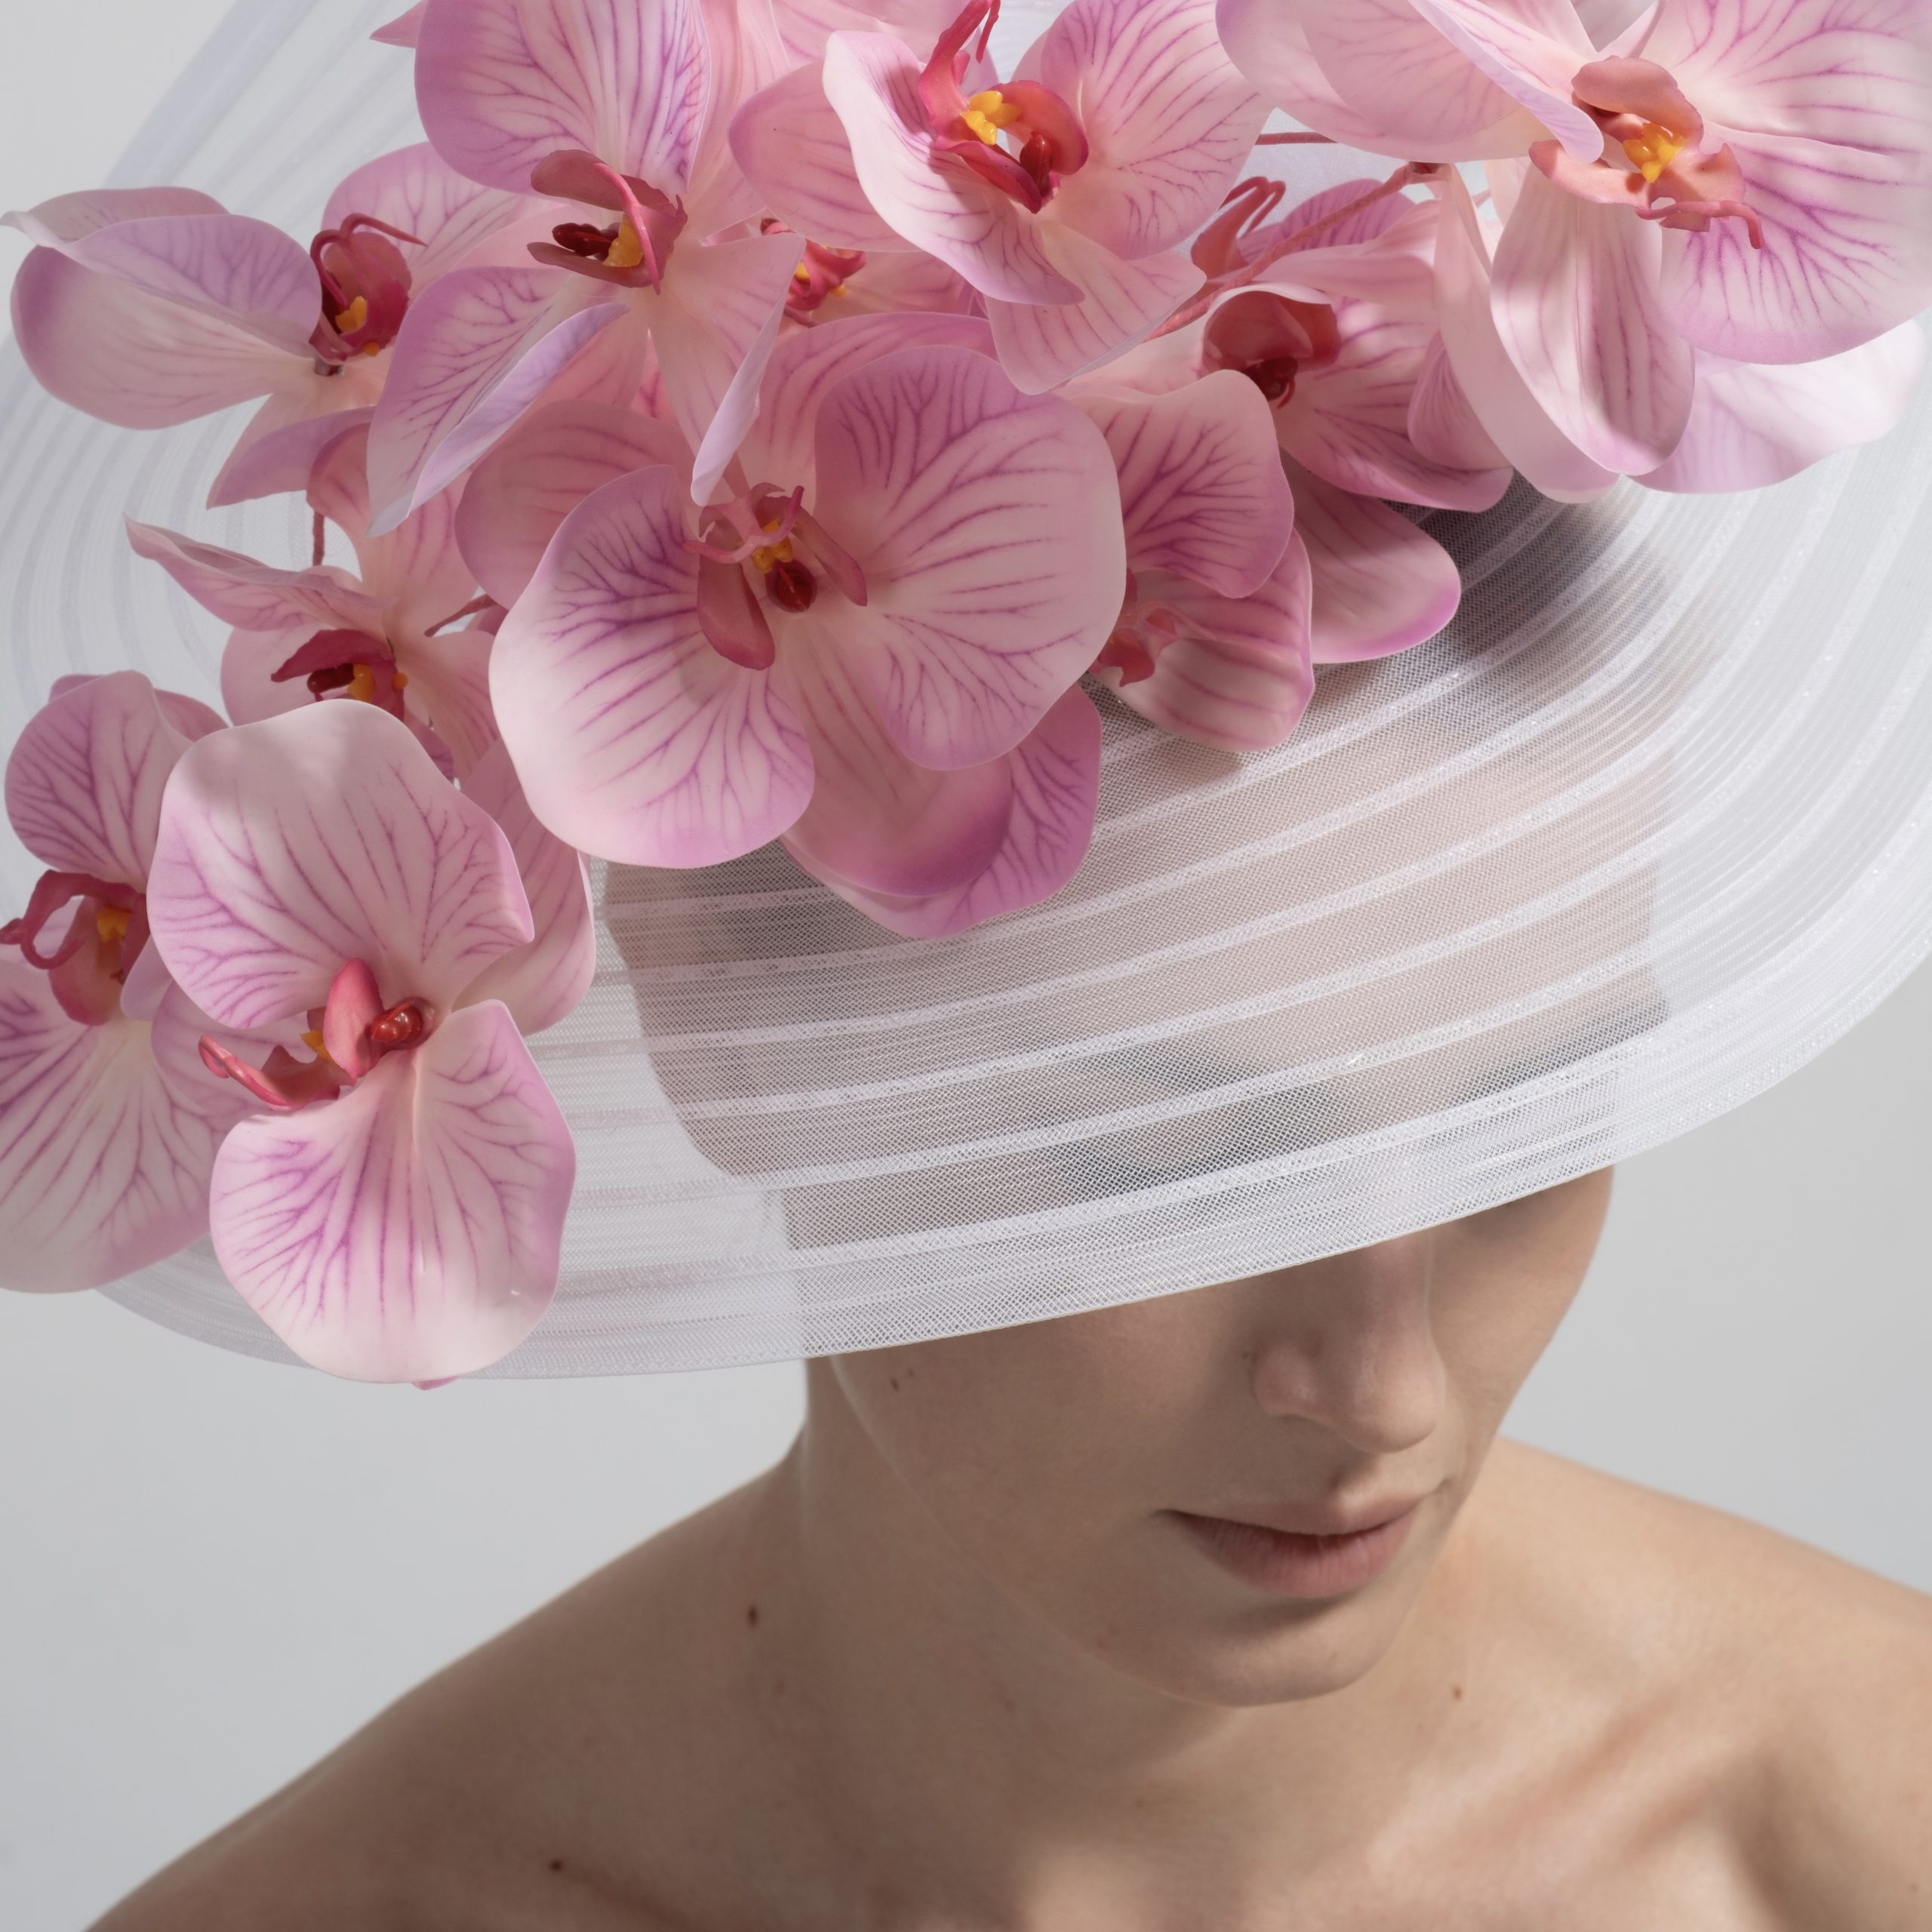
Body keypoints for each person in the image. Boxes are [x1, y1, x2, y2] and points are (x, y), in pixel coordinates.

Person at [94, 1166, 1932, 1925]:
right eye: (1192, 1171)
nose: (1385, 1389)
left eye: (1512, 1138)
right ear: (746, 1053)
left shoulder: (1861, 1825)